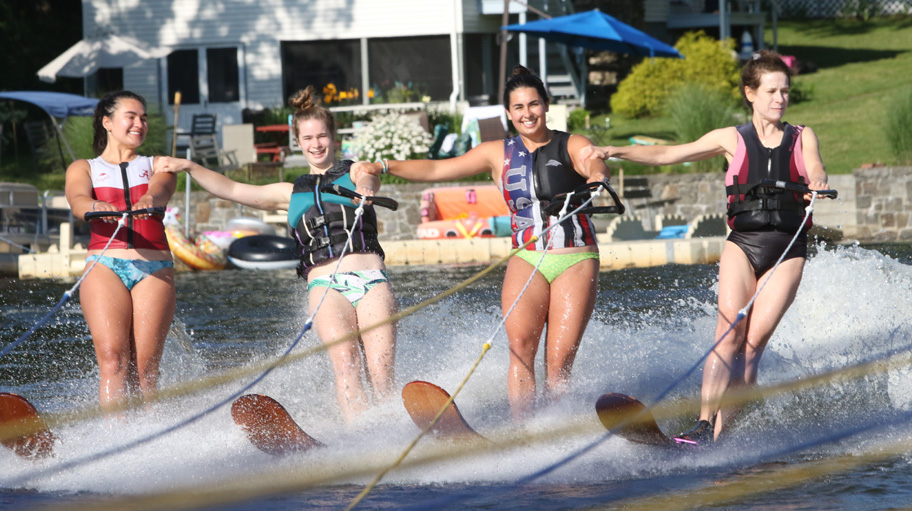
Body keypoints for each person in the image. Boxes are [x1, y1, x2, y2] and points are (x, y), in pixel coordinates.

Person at [580, 51, 830, 443]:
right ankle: (701, 424)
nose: (780, 98)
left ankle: (717, 438)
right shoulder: (730, 139)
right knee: (728, 333)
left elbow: (814, 166)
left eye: (785, 91)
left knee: (750, 348)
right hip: (743, 244)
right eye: (771, 91)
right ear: (750, 93)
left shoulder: (802, 136)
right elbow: (668, 154)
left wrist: (817, 180)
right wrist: (614, 151)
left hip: (787, 248)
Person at [354, 66, 611, 421]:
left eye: (533, 105)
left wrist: (597, 175)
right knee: (520, 349)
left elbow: (593, 160)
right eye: (518, 108)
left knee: (558, 360)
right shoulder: (497, 153)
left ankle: (557, 428)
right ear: (508, 113)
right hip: (527, 257)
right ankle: (524, 430)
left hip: (574, 258)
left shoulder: (571, 143)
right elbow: (436, 169)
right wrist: (383, 165)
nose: (527, 114)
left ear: (546, 105)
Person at [157, 86, 396, 424]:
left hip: (371, 280)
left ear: (333, 137)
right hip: (326, 288)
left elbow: (369, 174)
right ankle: (360, 435)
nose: (316, 144)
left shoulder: (353, 171)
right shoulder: (289, 192)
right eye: (308, 138)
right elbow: (234, 189)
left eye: (322, 136)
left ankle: (391, 434)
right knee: (346, 364)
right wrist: (189, 166)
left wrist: (367, 189)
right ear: (298, 142)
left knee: (380, 370)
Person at [65, 90, 178, 410]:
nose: (140, 123)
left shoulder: (159, 164)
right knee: (113, 360)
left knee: (144, 371)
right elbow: (77, 200)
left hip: (153, 267)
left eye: (143, 118)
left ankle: (152, 436)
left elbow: (160, 188)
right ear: (107, 122)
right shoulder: (83, 167)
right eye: (131, 116)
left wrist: (149, 200)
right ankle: (115, 437)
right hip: (104, 265)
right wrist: (93, 205)